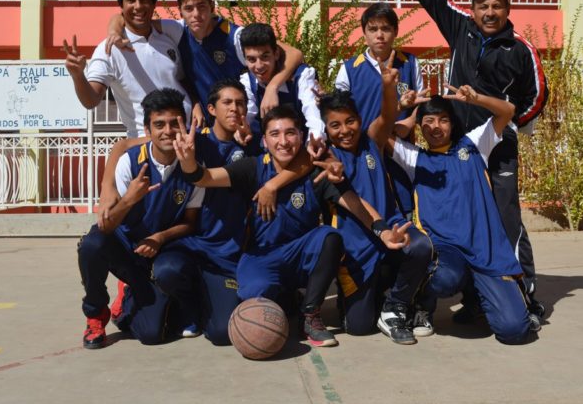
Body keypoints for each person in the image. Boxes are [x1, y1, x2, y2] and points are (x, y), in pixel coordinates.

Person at [389, 0, 548, 315]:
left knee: (506, 220)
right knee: (459, 221)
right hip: (459, 145)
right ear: (474, 10)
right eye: (483, 5)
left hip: (497, 147)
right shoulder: (460, 27)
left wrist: (510, 124)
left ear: (507, 11)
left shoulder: (520, 50)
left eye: (497, 6)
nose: (489, 11)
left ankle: (525, 295)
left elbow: (538, 97)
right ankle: (472, 295)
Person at [173, 104, 413, 348]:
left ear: (301, 137)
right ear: (264, 141)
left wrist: (382, 231)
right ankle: (286, 298)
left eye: (290, 133)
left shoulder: (316, 173)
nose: (284, 141)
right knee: (253, 307)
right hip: (262, 258)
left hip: (301, 255)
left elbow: (355, 203)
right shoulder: (252, 168)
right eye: (275, 134)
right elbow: (205, 178)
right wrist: (188, 162)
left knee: (329, 237)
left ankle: (310, 316)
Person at [387, 85, 537, 344]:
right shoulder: (414, 158)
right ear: (420, 127)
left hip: (485, 251)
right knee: (446, 279)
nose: (436, 127)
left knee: (515, 332)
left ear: (452, 123)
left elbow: (508, 111)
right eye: (429, 121)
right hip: (447, 252)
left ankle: (479, 298)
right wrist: (403, 110)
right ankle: (422, 304)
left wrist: (476, 99)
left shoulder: (475, 144)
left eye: (443, 120)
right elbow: (376, 133)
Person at [77, 88, 204, 349]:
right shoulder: (130, 162)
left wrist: (160, 237)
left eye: (174, 123)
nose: (168, 131)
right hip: (129, 251)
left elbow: (191, 222)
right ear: (147, 130)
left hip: (166, 252)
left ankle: (148, 297)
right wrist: (129, 199)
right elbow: (108, 225)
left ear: (185, 125)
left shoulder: (192, 165)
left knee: (150, 334)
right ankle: (95, 314)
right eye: (159, 124)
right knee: (92, 244)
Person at [319, 62, 432, 345]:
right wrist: (333, 174)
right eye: (335, 125)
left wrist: (386, 86)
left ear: (359, 119)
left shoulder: (372, 140)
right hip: (356, 247)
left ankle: (396, 304)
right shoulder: (326, 159)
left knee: (420, 247)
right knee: (359, 327)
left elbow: (387, 114)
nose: (345, 130)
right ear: (325, 128)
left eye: (350, 121)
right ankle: (364, 295)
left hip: (391, 226)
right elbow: (349, 198)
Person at [149, 79, 261, 345]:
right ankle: (185, 306)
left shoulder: (251, 150)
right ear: (211, 109)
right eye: (227, 103)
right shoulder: (191, 142)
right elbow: (134, 143)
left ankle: (205, 303)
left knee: (223, 334)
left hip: (225, 254)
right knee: (166, 272)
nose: (235, 109)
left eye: (241, 104)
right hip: (188, 244)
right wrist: (108, 184)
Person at [107, 0, 304, 122]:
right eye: (189, 8)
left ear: (212, 7)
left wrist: (272, 88)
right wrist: (113, 31)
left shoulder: (233, 36)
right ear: (181, 12)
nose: (196, 14)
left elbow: (294, 53)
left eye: (201, 7)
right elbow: (129, 17)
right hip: (205, 124)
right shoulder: (177, 30)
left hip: (243, 119)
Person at [63, 0, 194, 138]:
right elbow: (91, 100)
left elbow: (182, 80)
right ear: (122, 6)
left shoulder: (169, 34)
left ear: (154, 4)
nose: (138, 6)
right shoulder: (108, 50)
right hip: (145, 141)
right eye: (131, 0)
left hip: (187, 135)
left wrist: (195, 104)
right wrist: (78, 75)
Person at [335, 2, 423, 218]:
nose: (380, 35)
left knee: (404, 213)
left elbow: (423, 104)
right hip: (364, 154)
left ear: (395, 32)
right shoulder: (349, 69)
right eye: (373, 29)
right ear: (364, 34)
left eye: (385, 29)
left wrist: (409, 122)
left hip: (400, 152)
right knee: (370, 212)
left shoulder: (410, 63)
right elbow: (339, 115)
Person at [239, 22, 325, 144]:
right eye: (251, 59)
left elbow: (314, 117)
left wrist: (314, 142)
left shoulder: (302, 76)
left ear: (276, 54)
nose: (258, 66)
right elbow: (246, 115)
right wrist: (239, 130)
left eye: (265, 57)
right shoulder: (247, 81)